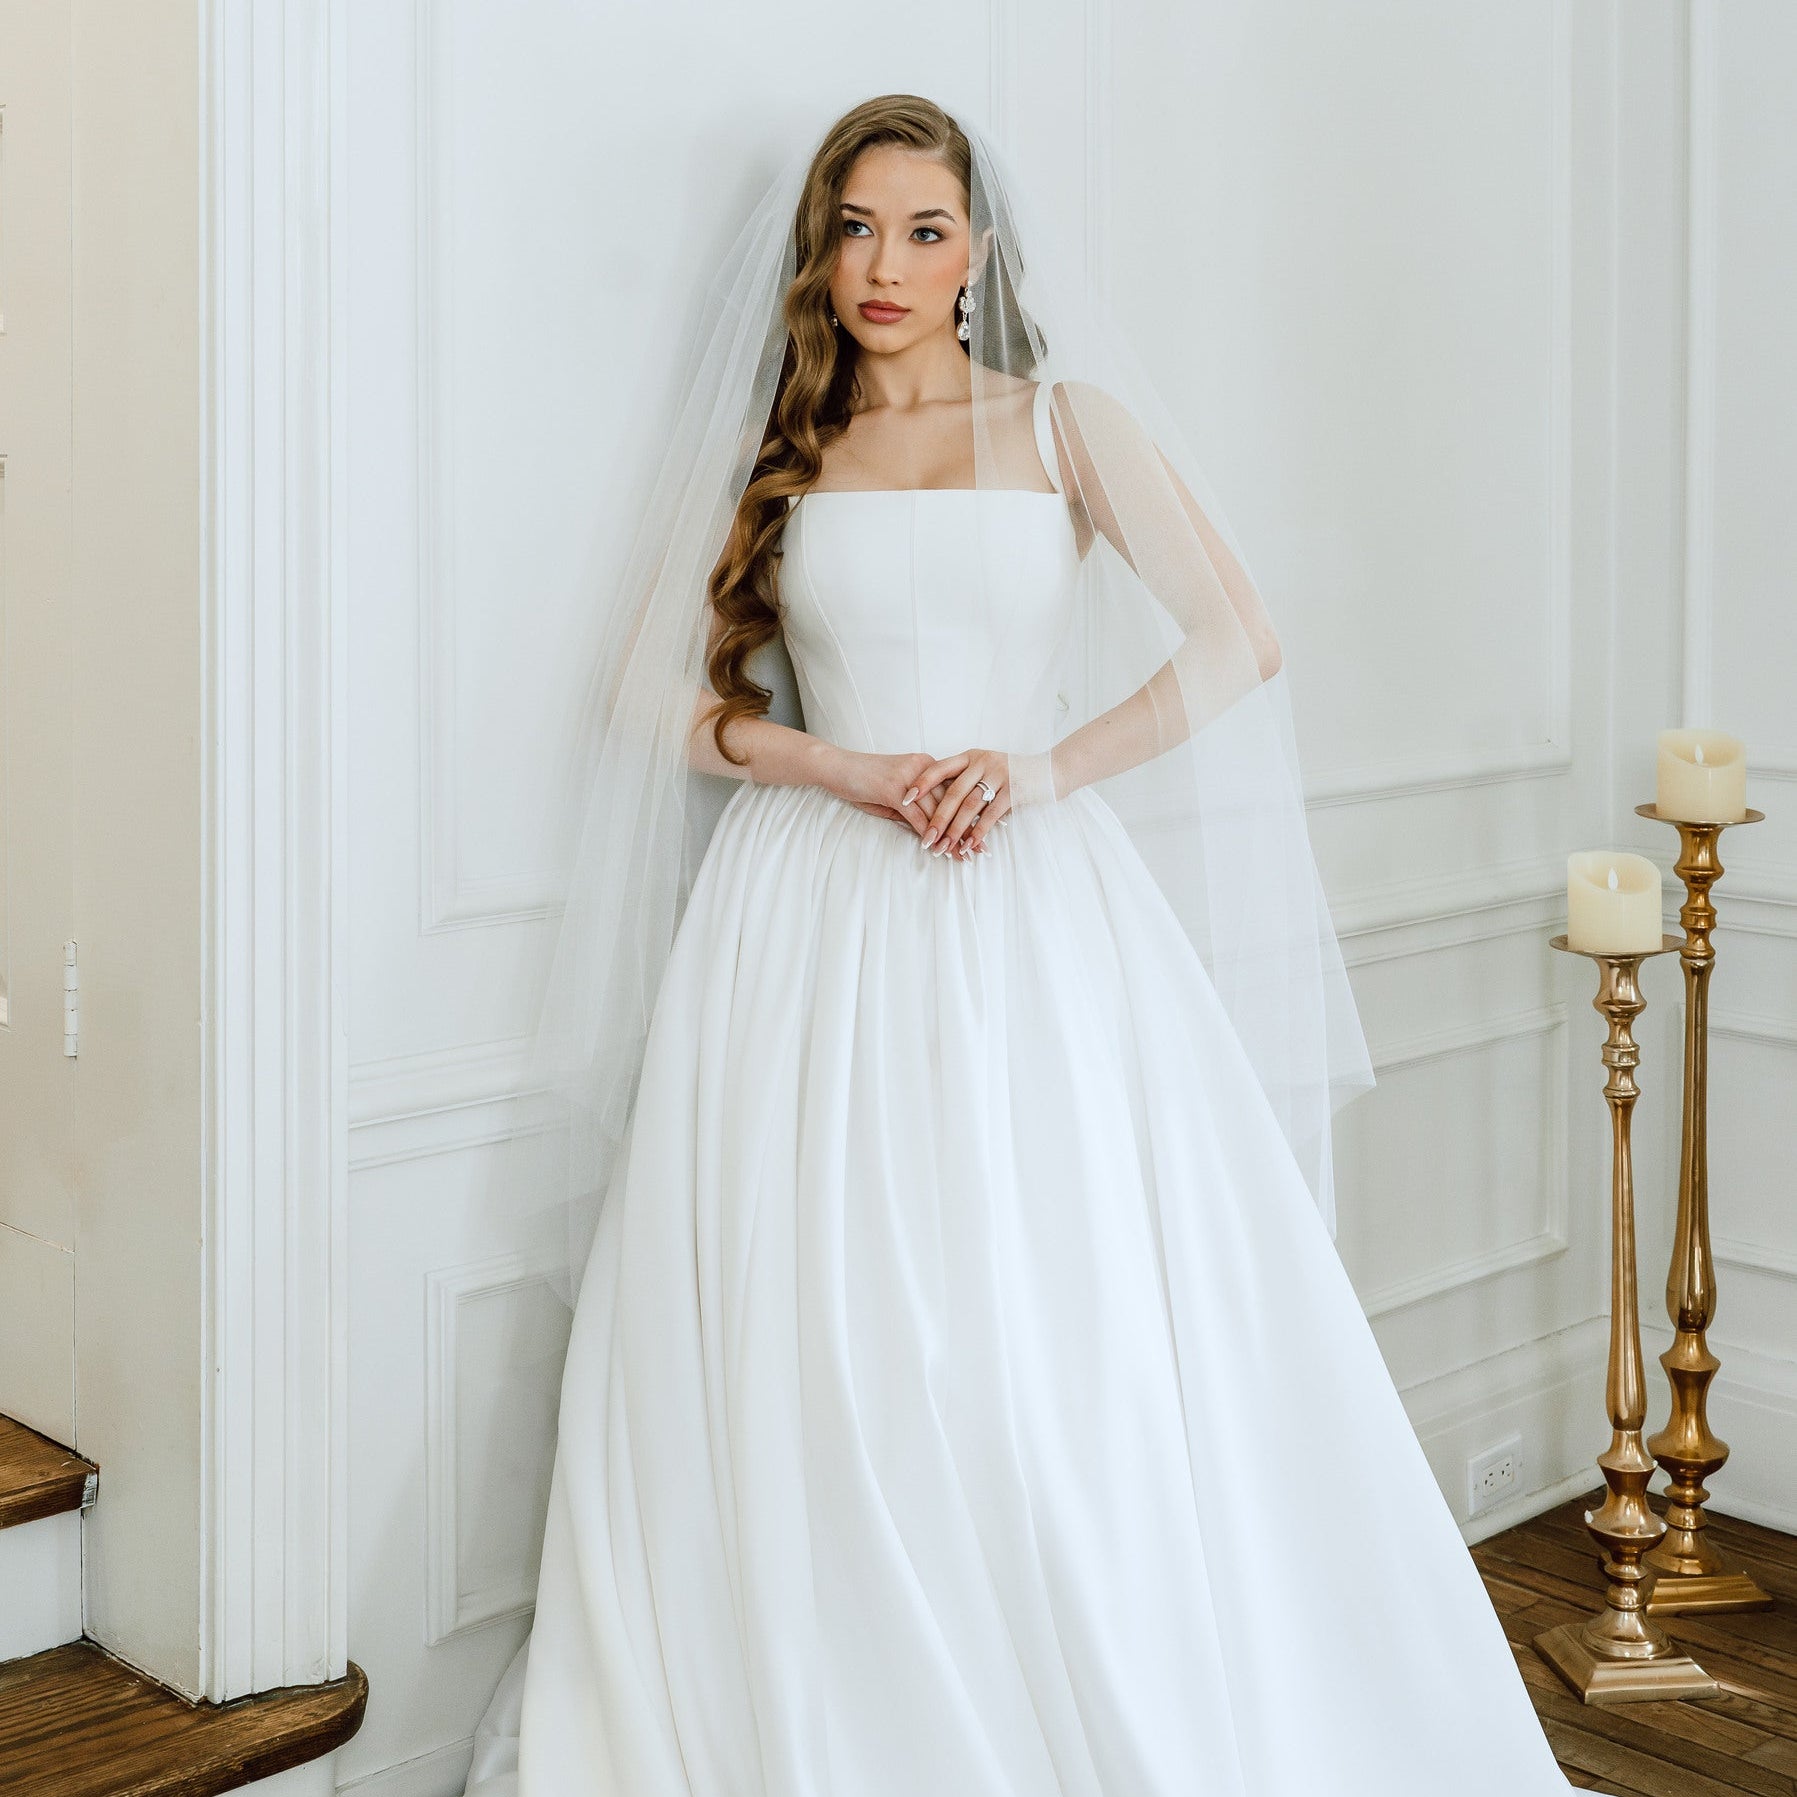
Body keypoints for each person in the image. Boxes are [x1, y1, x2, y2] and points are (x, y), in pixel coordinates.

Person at [462, 92, 1576, 1795]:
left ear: (977, 250)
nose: (884, 264)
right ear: (819, 252)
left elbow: (1237, 637)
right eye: (854, 228)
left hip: (1025, 911)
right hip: (807, 912)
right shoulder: (786, 445)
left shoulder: (1063, 425)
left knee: (1028, 1325)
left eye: (920, 229)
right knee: (807, 1326)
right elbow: (643, 692)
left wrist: (1039, 768)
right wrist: (832, 765)